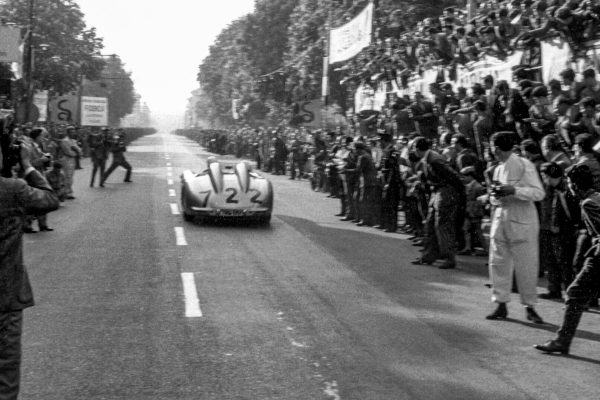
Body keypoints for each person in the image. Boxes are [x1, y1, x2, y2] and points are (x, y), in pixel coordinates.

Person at [0, 140, 60, 399]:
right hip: (5, 297)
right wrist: (27, 166)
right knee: (6, 369)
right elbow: (49, 198)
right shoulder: (11, 190)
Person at [534, 165, 600, 354]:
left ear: (575, 185)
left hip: (598, 257)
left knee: (574, 293)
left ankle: (562, 341)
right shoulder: (596, 197)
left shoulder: (588, 203)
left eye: (570, 183)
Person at [486, 131, 546, 324]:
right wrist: (495, 194)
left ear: (495, 148)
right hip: (501, 216)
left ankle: (530, 306)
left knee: (526, 265)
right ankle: (501, 303)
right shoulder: (497, 169)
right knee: (498, 262)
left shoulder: (524, 165)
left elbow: (538, 193)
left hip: (522, 219)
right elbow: (495, 196)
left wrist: (515, 190)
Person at [411, 137, 466, 269]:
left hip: (445, 192)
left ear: (418, 149)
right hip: (438, 192)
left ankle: (449, 258)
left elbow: (453, 177)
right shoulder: (429, 158)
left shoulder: (434, 160)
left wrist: (458, 194)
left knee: (443, 225)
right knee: (430, 225)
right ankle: (428, 255)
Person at [537, 162, 576, 300]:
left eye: (543, 176)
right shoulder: (548, 188)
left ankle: (570, 292)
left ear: (548, 175)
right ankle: (554, 289)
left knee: (565, 262)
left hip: (563, 231)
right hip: (547, 228)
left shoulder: (566, 188)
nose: (543, 179)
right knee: (551, 260)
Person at [377, 132, 401, 232]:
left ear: (384, 141)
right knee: (385, 203)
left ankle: (392, 226)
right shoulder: (385, 151)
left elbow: (392, 169)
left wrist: (388, 183)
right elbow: (382, 166)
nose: (379, 143)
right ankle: (386, 224)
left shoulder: (392, 151)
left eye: (380, 141)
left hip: (391, 182)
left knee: (391, 204)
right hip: (384, 180)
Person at [57, 127, 82, 200]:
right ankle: (66, 192)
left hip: (72, 160)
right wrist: (76, 152)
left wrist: (76, 150)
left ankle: (69, 191)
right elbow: (68, 152)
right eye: (71, 132)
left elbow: (79, 150)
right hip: (66, 159)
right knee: (67, 175)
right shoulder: (65, 141)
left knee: (71, 176)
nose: (73, 133)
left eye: (74, 132)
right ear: (67, 133)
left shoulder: (73, 141)